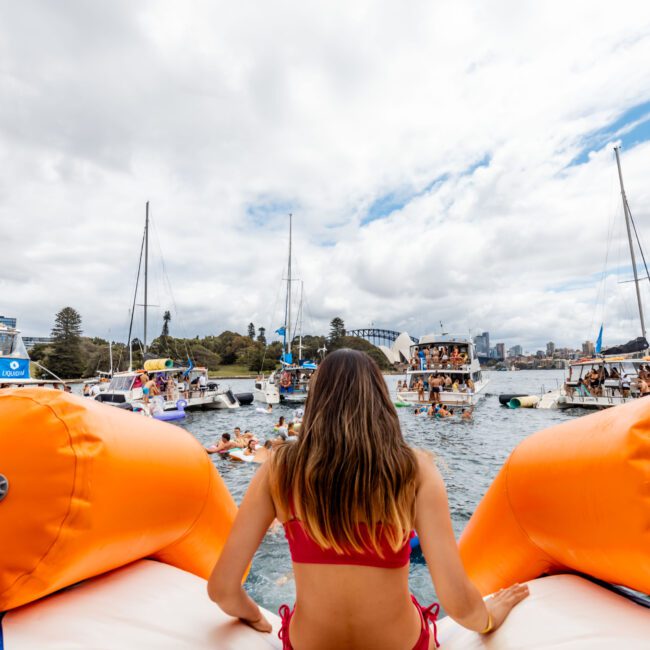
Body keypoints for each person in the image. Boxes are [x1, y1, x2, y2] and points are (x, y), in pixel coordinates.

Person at [208, 350, 528, 648]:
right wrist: (489, 618)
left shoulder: (278, 470)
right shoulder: (414, 470)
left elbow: (222, 589)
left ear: (316, 400)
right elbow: (458, 602)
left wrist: (254, 615)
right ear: (380, 399)